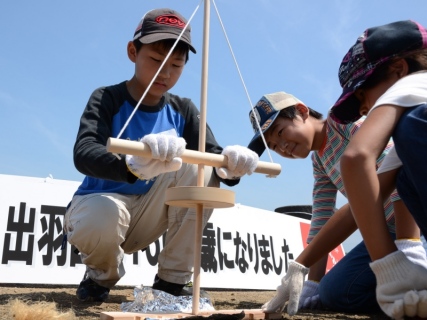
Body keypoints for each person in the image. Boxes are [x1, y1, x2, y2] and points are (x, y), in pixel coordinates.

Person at [63, 8, 259, 302]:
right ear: (133, 51)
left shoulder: (183, 109)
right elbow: (84, 152)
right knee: (103, 216)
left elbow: (215, 159)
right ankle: (99, 277)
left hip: (149, 214)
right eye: (156, 60)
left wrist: (231, 165)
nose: (165, 73)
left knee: (201, 169)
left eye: (176, 65)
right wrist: (131, 166)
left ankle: (171, 283)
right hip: (99, 207)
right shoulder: (107, 98)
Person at [247, 91, 425, 315]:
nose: (282, 146)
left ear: (302, 112)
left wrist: (408, 243)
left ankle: (414, 276)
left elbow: (399, 169)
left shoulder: (342, 121)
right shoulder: (319, 161)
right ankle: (406, 295)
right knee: (335, 292)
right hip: (387, 232)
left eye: (281, 132)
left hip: (416, 222)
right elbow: (322, 220)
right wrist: (312, 285)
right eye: (274, 146)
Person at [329, 19, 427, 319]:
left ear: (398, 70)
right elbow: (367, 197)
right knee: (339, 290)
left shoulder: (415, 86)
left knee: (412, 125)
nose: (362, 109)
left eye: (362, 93)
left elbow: (356, 158)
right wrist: (300, 265)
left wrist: (390, 268)